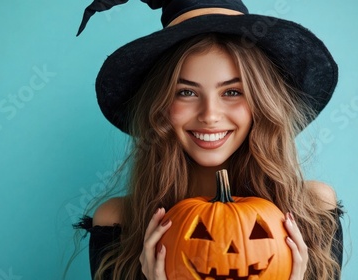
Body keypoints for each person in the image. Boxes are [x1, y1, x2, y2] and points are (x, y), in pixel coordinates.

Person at [74, 0, 344, 279]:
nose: (210, 115)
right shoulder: (118, 221)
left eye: (232, 92)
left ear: (262, 103)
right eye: (186, 93)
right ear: (161, 106)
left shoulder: (313, 210)